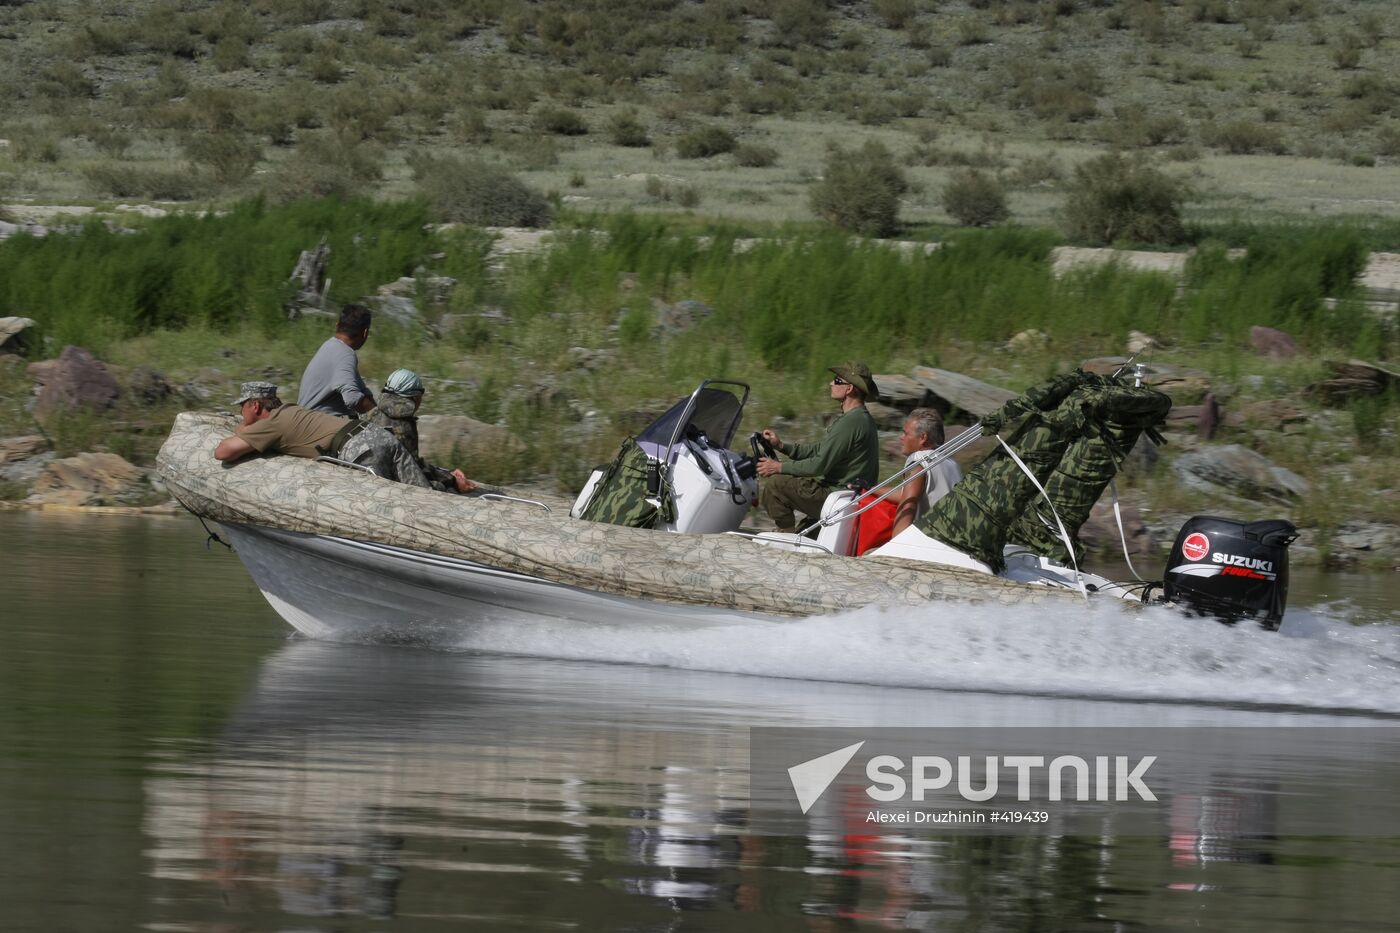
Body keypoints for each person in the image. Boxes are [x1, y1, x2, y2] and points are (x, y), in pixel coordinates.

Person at [213, 381, 432, 489]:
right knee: (423, 493)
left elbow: (223, 453)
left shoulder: (272, 424)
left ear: (255, 406)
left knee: (384, 497)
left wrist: (243, 425)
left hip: (360, 448)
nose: (240, 412)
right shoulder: (291, 409)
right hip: (376, 433)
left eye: (242, 407)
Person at [756, 361, 880, 533]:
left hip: (836, 496)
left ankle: (785, 533)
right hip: (845, 496)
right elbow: (819, 450)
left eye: (837, 380)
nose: (831, 383)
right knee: (804, 534)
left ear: (849, 388)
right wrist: (782, 446)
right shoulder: (860, 419)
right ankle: (792, 534)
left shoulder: (852, 422)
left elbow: (818, 465)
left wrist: (778, 467)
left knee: (776, 485)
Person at [368, 368, 476, 494]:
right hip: (393, 480)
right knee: (445, 490)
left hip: (372, 471)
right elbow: (413, 466)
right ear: (415, 396)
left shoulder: (373, 413)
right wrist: (452, 481)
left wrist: (448, 473)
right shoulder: (403, 424)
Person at [891, 407, 962, 536]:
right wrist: (870, 489)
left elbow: (906, 508)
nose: (901, 438)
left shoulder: (919, 461)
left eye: (906, 434)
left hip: (930, 541)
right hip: (955, 538)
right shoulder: (951, 463)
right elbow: (906, 493)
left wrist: (892, 546)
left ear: (923, 437)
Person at [297, 304, 375, 417]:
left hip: (307, 418)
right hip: (317, 422)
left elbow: (361, 390)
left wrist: (374, 409)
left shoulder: (331, 346)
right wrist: (379, 416)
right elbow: (352, 397)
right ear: (365, 333)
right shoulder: (344, 353)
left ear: (337, 325)